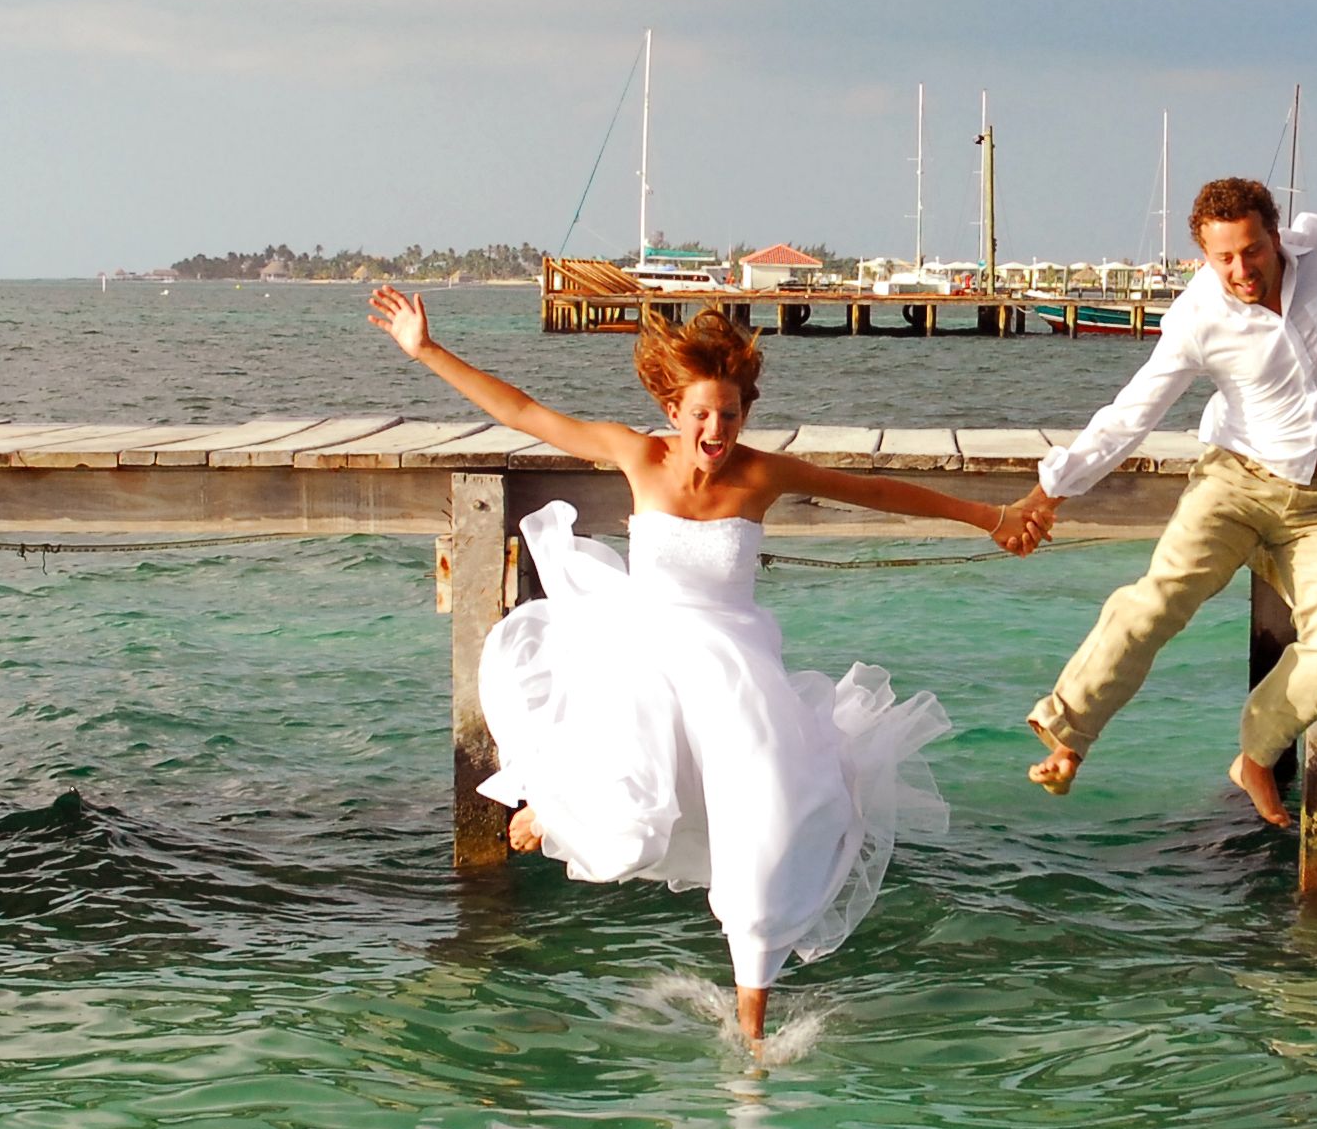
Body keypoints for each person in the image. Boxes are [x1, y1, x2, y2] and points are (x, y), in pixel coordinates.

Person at [370, 289, 1031, 1044]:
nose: (717, 430)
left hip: (737, 672)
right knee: (634, 807)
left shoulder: (762, 474)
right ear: (673, 408)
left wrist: (991, 517)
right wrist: (426, 350)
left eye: (731, 414)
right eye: (702, 414)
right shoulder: (635, 453)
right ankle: (554, 803)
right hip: (644, 655)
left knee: (774, 828)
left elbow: (878, 491)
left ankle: (751, 1035)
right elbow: (523, 412)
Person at [1002, 45, 1317, 827]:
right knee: (1157, 601)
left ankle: (1256, 752)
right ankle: (1068, 732)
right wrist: (1049, 489)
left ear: (1278, 232)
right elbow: (1132, 413)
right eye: (1223, 257)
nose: (1241, 271)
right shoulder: (1198, 317)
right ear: (1202, 254)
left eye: (1253, 250)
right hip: (1235, 485)